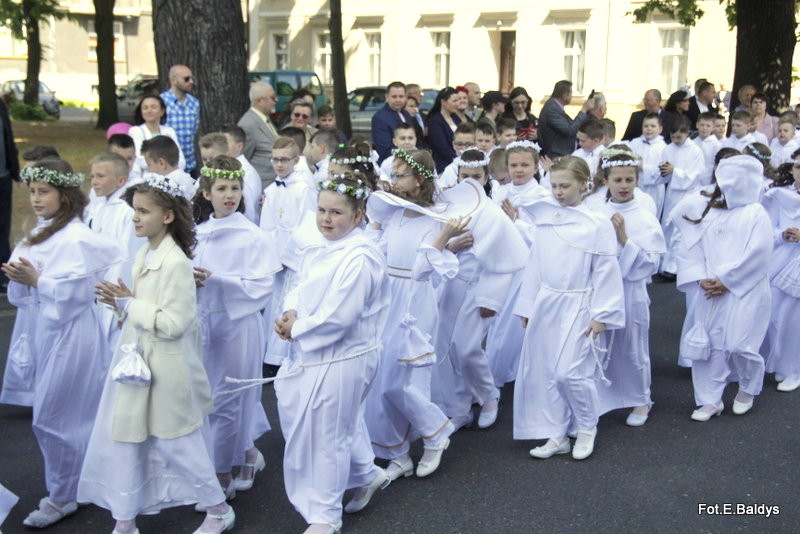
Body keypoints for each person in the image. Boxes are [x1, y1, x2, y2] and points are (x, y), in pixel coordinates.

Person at [79, 175, 235, 534]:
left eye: (143, 211)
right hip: (137, 362)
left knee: (176, 442)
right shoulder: (145, 253)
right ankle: (125, 518)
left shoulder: (175, 262)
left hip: (167, 368)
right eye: (134, 210)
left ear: (167, 216)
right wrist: (121, 305)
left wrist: (128, 303)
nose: (135, 218)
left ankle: (218, 508)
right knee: (128, 439)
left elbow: (175, 322)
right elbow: (142, 310)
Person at [1, 158, 123, 528]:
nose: (36, 199)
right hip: (43, 330)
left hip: (72, 335)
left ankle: (64, 494)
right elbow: (20, 293)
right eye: (33, 192)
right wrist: (24, 280)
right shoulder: (38, 232)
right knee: (68, 414)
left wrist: (38, 280)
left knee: (53, 416)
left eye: (44, 192)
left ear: (64, 195)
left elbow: (78, 290)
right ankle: (78, 484)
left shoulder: (77, 238)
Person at [270, 171, 389, 534]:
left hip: (345, 356)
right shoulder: (322, 245)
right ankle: (366, 473)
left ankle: (325, 516)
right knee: (336, 425)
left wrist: (299, 329)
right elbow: (301, 284)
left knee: (328, 434)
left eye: (336, 213)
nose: (326, 219)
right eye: (322, 210)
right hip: (319, 351)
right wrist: (291, 311)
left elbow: (343, 314)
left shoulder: (361, 256)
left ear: (357, 216)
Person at [363, 149, 465, 483]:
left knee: (404, 381)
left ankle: (435, 433)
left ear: (418, 179)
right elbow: (374, 254)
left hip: (414, 304)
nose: (392, 181)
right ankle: (397, 453)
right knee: (381, 379)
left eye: (399, 175)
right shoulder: (395, 214)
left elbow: (423, 271)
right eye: (392, 175)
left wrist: (443, 239)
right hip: (387, 300)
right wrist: (375, 225)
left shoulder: (436, 219)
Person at [513, 155, 625, 460]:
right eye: (554, 186)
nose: (558, 192)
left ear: (583, 185)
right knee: (547, 370)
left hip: (580, 303)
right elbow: (535, 263)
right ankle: (556, 431)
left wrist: (602, 314)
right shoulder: (547, 219)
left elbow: (606, 269)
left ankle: (587, 427)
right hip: (549, 302)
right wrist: (527, 304)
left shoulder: (597, 223)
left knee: (570, 372)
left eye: (565, 185)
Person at [191, 155, 281, 500]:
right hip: (204, 325)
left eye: (235, 188)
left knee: (229, 399)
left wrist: (219, 281)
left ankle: (220, 472)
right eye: (222, 188)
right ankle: (246, 454)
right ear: (206, 193)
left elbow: (259, 287)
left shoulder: (251, 236)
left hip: (237, 324)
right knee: (208, 400)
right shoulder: (198, 234)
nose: (230, 195)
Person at [431, 149, 529, 431]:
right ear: (457, 176)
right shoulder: (447, 207)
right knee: (445, 348)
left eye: (476, 176)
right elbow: (433, 245)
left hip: (480, 288)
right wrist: (449, 245)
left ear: (486, 178)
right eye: (465, 176)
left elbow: (504, 260)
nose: (471, 181)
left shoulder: (493, 214)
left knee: (466, 347)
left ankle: (488, 395)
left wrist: (492, 299)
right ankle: (458, 407)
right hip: (451, 286)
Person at [672, 155, 772, 421]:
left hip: (745, 288)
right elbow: (690, 247)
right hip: (710, 288)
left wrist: (728, 280)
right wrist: (699, 276)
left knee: (740, 344)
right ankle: (709, 398)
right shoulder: (710, 210)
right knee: (710, 344)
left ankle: (749, 387)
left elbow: (759, 252)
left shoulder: (755, 212)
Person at [592, 149, 665, 426]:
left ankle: (640, 398)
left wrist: (624, 240)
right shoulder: (596, 210)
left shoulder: (644, 215)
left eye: (629, 180)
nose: (623, 186)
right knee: (601, 343)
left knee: (633, 346)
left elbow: (651, 262)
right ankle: (602, 396)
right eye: (618, 180)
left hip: (630, 289)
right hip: (602, 288)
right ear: (606, 181)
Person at [486, 141, 549, 391]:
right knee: (495, 320)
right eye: (514, 165)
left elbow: (541, 235)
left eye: (525, 165)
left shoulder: (542, 196)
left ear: (535, 167)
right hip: (500, 263)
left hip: (524, 266)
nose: (519, 170)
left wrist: (516, 222)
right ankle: (500, 369)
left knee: (510, 324)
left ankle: (498, 374)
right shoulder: (501, 192)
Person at [259, 137, 317, 368]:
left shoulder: (304, 190)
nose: (279, 164)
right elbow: (267, 226)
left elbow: (308, 225)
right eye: (275, 159)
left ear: (296, 160)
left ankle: (284, 357)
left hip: (294, 258)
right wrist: (270, 254)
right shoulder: (271, 189)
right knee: (273, 302)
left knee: (289, 303)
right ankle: (269, 356)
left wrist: (287, 256)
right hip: (275, 257)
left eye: (284, 160)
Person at [87, 152, 146, 355]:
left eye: (101, 176)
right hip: (101, 287)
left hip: (116, 291)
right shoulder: (102, 206)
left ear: (121, 180)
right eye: (92, 176)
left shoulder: (127, 211)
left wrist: (122, 305)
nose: (94, 182)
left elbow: (128, 257)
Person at [762, 149, 800, 391]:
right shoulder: (780, 196)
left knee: (794, 318)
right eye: (797, 167)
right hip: (781, 259)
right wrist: (781, 234)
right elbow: (769, 227)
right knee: (775, 313)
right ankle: (779, 362)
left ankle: (793, 369)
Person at [659, 115, 706, 276]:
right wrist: (665, 171)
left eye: (679, 136)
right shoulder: (668, 148)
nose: (676, 140)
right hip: (672, 192)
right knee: (668, 226)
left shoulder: (695, 151)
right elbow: (664, 172)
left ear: (686, 133)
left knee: (680, 230)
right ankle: (662, 263)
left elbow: (696, 175)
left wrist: (676, 171)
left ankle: (673, 266)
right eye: (672, 137)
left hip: (687, 193)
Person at [199, 133, 261, 225]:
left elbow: (249, 211)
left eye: (213, 159)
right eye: (205, 159)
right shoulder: (203, 176)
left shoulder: (244, 175)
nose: (208, 163)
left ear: (226, 154)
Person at [219, 124, 265, 224]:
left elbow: (249, 211)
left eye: (224, 142)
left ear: (239, 146)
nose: (220, 146)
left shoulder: (247, 174)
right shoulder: (217, 167)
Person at [128, 94, 186, 171]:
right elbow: (140, 158)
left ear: (162, 111)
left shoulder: (169, 131)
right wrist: (166, 167)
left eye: (153, 107)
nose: (149, 110)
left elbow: (180, 160)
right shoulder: (136, 131)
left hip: (171, 177)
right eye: (145, 108)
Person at [238, 82, 279, 188]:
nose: (276, 100)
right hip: (261, 186)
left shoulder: (264, 118)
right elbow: (243, 159)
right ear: (259, 101)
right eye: (272, 98)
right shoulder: (248, 125)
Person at [160, 64, 200, 175]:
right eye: (186, 79)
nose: (191, 82)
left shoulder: (194, 103)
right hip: (168, 168)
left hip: (190, 166)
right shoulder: (161, 102)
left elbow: (194, 132)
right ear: (173, 80)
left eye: (192, 78)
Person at [537, 80, 594, 157]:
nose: (571, 96)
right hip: (556, 156)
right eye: (571, 93)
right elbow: (569, 130)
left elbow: (573, 126)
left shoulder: (555, 107)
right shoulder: (551, 109)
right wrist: (584, 110)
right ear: (565, 95)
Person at [628, 113, 668, 218]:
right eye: (646, 126)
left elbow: (663, 171)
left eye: (653, 126)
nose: (649, 129)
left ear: (660, 129)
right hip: (635, 186)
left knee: (650, 216)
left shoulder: (663, 148)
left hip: (654, 189)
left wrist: (643, 167)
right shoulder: (634, 143)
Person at [0, 97, 19, 294]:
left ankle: (3, 276)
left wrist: (13, 168)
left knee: (3, 226)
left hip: (3, 176)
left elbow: (8, 136)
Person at [371, 81, 412, 163]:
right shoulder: (380, 118)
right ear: (387, 96)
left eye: (401, 96)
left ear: (406, 97)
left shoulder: (406, 114)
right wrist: (411, 157)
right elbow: (385, 149)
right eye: (394, 96)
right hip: (392, 164)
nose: (398, 100)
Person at [426, 87, 461, 173]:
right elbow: (442, 147)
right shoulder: (435, 120)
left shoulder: (456, 118)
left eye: (458, 100)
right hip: (444, 165)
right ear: (443, 102)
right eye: (454, 101)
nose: (458, 104)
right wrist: (457, 160)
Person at [436, 122, 477, 190]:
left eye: (468, 144)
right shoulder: (449, 171)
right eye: (459, 144)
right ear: (453, 145)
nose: (464, 148)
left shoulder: (484, 166)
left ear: (475, 145)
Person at [693, 112, 722, 185]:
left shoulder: (716, 145)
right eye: (702, 125)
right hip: (693, 179)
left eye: (708, 126)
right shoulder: (692, 143)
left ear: (713, 127)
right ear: (697, 125)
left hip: (708, 180)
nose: (704, 128)